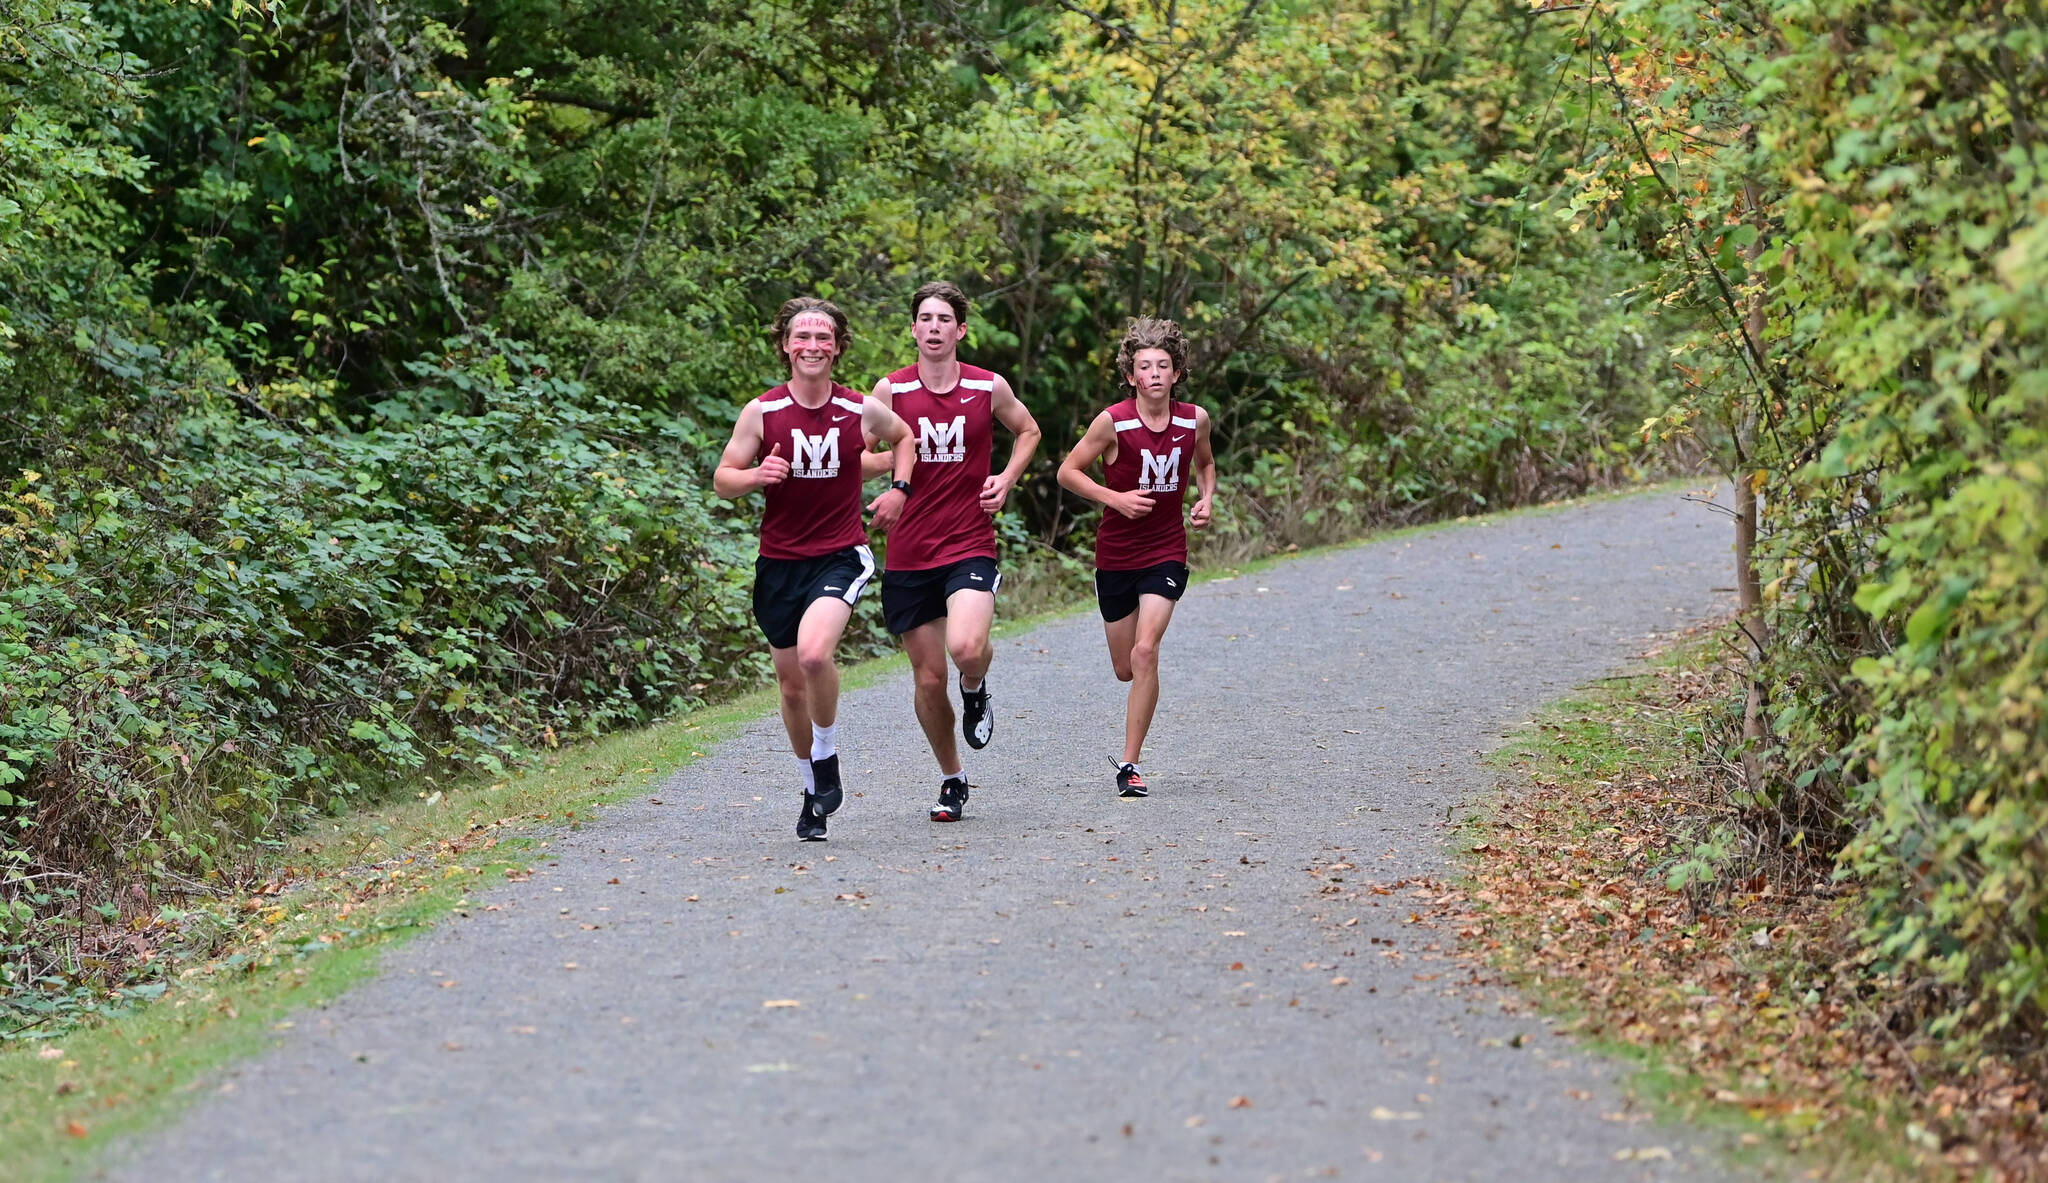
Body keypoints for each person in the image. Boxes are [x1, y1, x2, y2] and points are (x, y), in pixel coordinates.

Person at [714, 297, 916, 840]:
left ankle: (825, 757)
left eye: (823, 338)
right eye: (802, 337)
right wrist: (758, 476)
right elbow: (723, 478)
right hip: (778, 565)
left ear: (838, 348)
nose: (812, 346)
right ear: (785, 345)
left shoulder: (858, 409)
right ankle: (812, 790)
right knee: (790, 687)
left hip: (839, 553)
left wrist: (898, 490)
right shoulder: (761, 411)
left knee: (813, 655)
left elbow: (904, 438)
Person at [863, 281, 1041, 822]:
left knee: (965, 649)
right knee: (926, 678)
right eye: (925, 318)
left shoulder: (988, 387)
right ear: (914, 330)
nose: (935, 327)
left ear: (960, 330)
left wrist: (1006, 478)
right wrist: (895, 473)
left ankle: (977, 685)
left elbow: (1028, 430)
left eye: (945, 319)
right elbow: (861, 455)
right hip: (910, 550)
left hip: (969, 541)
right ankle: (951, 777)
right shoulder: (889, 392)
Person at [1055, 317, 1216, 798]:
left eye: (1163, 365)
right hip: (1116, 554)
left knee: (1146, 652)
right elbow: (1068, 471)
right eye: (1144, 366)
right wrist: (1115, 498)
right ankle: (1131, 732)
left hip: (1166, 549)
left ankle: (1129, 764)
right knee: (1125, 667)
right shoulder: (1113, 421)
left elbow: (1206, 463)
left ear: (1177, 372)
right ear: (1131, 376)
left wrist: (1206, 498)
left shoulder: (1194, 419)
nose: (1154, 374)